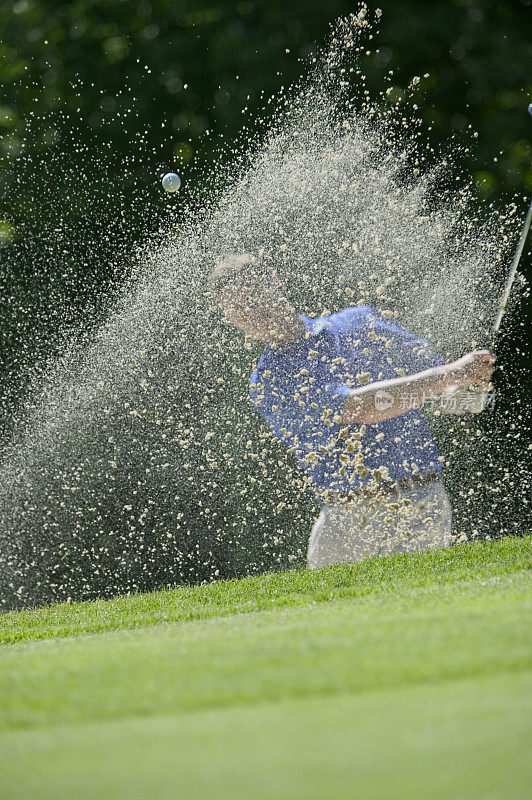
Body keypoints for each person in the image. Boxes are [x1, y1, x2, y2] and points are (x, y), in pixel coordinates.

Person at [209, 253, 495, 568]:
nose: (254, 311)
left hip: (417, 503)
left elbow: (445, 395)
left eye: (256, 294)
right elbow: (360, 407)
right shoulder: (269, 382)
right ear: (233, 320)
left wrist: (471, 390)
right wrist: (451, 375)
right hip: (343, 520)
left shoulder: (361, 322)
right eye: (240, 308)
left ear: (275, 283)